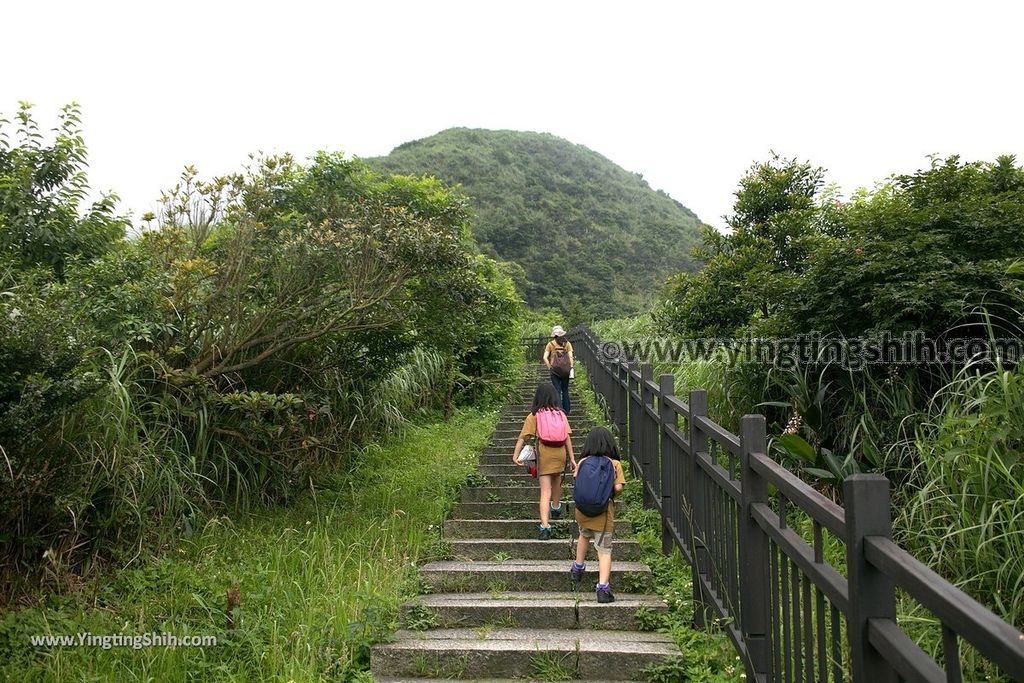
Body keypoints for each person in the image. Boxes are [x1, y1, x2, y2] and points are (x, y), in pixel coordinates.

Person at [512, 383, 576, 540]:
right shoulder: (561, 414)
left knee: (545, 491)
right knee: (557, 482)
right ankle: (556, 507)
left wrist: (516, 455)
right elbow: (567, 437)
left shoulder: (534, 415)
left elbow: (523, 437)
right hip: (560, 453)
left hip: (544, 454)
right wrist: (572, 459)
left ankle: (545, 527)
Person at [570, 427, 626, 603]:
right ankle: (603, 588)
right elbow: (618, 488)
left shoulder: (583, 461)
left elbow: (577, 481)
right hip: (603, 513)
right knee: (604, 551)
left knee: (583, 535)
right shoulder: (614, 464)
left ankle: (578, 567)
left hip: (583, 511)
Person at [543, 325, 573, 415]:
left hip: (554, 370)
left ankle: (559, 410)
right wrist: (570, 367)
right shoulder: (567, 343)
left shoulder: (550, 344)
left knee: (557, 390)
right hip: (565, 370)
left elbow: (544, 357)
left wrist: (550, 367)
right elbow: (570, 356)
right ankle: (567, 410)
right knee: (565, 390)